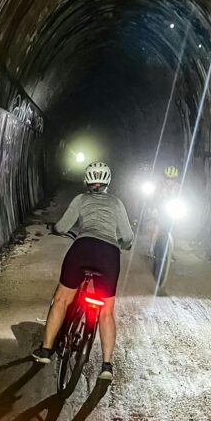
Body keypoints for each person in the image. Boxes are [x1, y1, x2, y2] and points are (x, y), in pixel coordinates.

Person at [32, 162, 134, 380]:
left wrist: (54, 229)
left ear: (87, 180)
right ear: (108, 181)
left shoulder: (80, 199)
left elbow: (62, 227)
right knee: (106, 311)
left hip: (82, 248)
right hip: (109, 255)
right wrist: (122, 245)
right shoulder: (116, 203)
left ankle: (46, 350)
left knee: (61, 300)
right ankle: (107, 366)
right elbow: (127, 237)